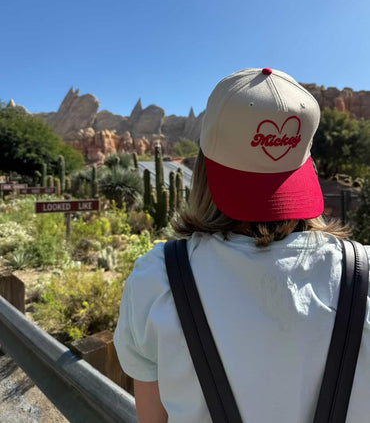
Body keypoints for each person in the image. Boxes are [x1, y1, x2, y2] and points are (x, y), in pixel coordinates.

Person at [113, 67, 370, 422]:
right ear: (306, 162)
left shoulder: (156, 281)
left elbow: (152, 418)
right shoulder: (365, 273)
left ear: (203, 167)